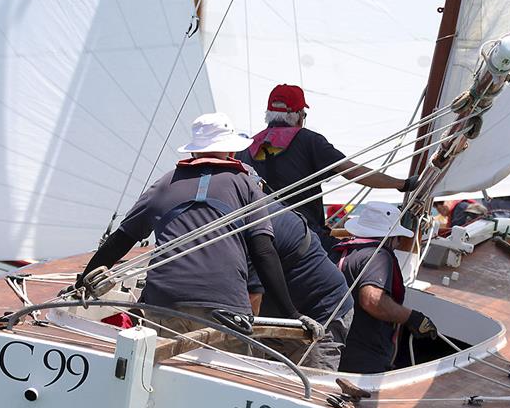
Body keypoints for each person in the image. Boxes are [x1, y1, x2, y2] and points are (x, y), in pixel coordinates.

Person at [77, 112, 322, 342]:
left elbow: (120, 240)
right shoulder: (246, 185)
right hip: (225, 311)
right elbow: (263, 253)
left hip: (163, 304)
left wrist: (80, 285)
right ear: (231, 152)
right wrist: (291, 314)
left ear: (194, 152)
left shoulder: (164, 183)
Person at [236, 84, 419, 249]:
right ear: (298, 116)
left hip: (258, 240)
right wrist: (402, 184)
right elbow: (353, 171)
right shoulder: (308, 140)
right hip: (303, 239)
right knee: (342, 279)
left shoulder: (245, 148)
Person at [330, 202, 437, 374]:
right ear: (391, 237)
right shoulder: (379, 256)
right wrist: (413, 318)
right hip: (364, 356)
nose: (398, 244)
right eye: (398, 238)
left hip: (337, 346)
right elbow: (373, 300)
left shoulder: (343, 251)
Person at [247, 201, 354, 371]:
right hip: (276, 319)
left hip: (319, 315)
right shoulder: (241, 211)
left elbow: (252, 300)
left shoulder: (252, 223)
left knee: (311, 387)